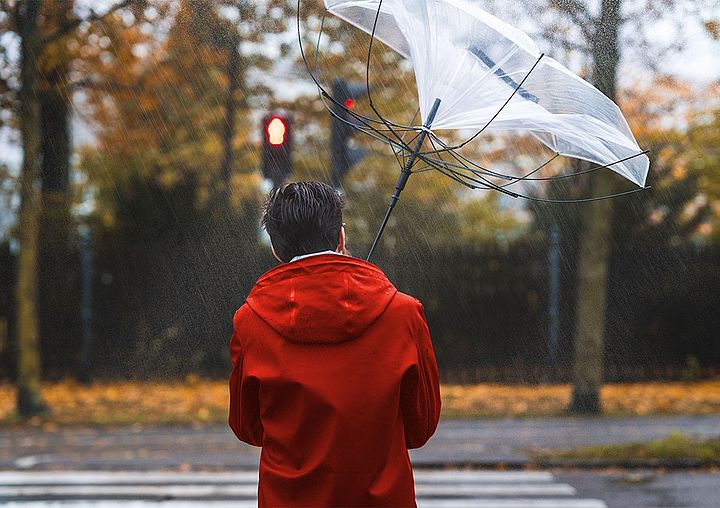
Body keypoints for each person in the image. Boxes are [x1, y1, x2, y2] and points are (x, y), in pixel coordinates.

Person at [229, 181, 441, 507]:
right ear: (341, 237)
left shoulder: (250, 322)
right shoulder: (403, 313)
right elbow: (420, 427)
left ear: (276, 250)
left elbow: (249, 428)